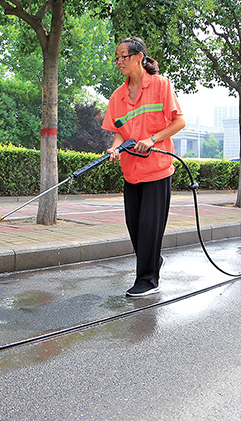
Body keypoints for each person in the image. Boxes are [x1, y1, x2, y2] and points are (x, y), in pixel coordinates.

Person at [102, 37, 186, 297]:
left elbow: (179, 122)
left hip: (157, 169)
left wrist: (153, 139)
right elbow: (119, 131)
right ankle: (153, 261)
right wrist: (115, 148)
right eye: (116, 58)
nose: (119, 61)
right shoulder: (117, 96)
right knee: (135, 226)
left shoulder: (161, 85)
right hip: (131, 171)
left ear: (139, 57)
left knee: (150, 226)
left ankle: (148, 280)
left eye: (123, 56)